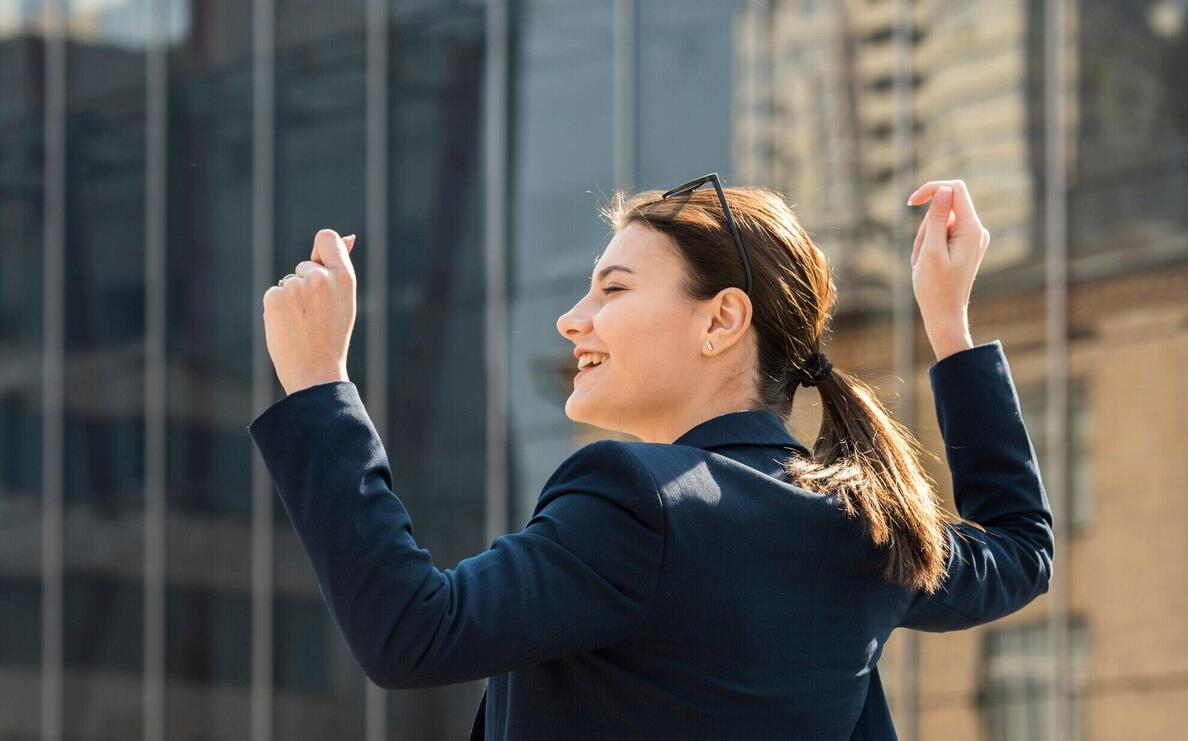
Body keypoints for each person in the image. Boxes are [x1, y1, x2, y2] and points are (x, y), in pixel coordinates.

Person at [249, 177, 1053, 740]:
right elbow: (1022, 550)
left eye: (614, 289)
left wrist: (320, 384)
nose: (573, 319)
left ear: (721, 321)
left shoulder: (639, 499)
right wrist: (950, 324)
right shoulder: (866, 525)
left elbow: (411, 631)